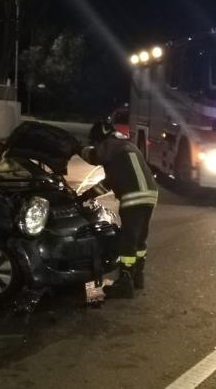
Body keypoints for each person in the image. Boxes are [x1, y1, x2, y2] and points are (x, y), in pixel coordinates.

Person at [78, 119, 157, 298]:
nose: (96, 145)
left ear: (100, 138)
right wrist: (86, 195)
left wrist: (78, 149)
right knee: (140, 238)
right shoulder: (126, 148)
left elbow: (94, 157)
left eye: (96, 142)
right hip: (150, 194)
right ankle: (138, 276)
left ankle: (125, 282)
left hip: (133, 196)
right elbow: (109, 182)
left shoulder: (110, 144)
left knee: (128, 239)